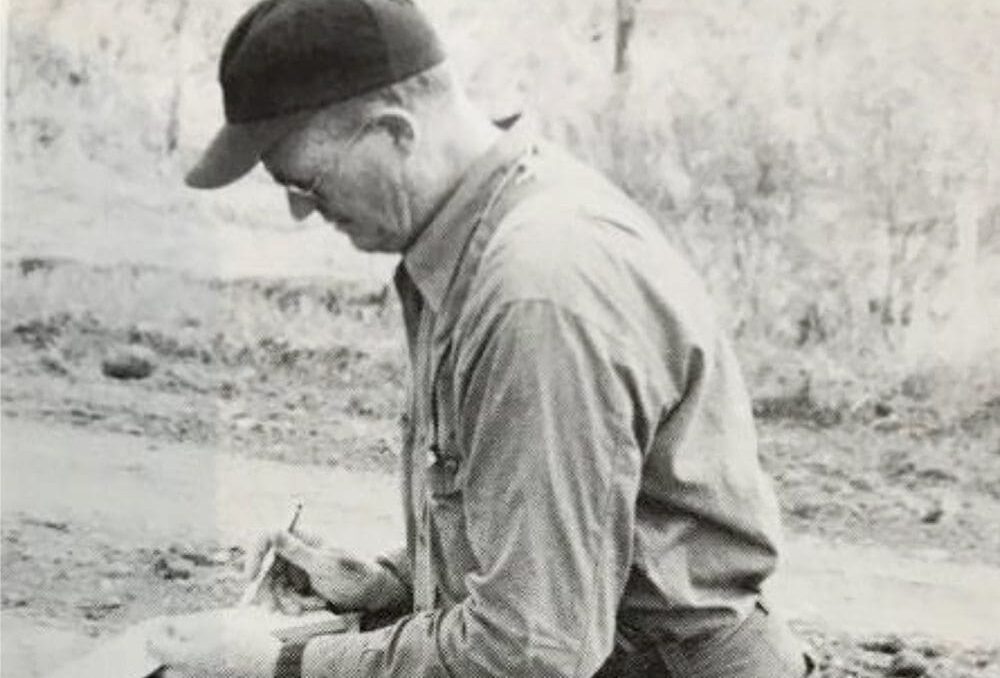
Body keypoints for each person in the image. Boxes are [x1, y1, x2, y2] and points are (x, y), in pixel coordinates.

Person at [147, 0, 813, 676]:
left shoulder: (536, 289)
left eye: (306, 183)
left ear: (393, 132)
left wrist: (281, 666)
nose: (299, 211)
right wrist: (390, 584)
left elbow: (528, 654)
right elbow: (562, 535)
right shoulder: (475, 239)